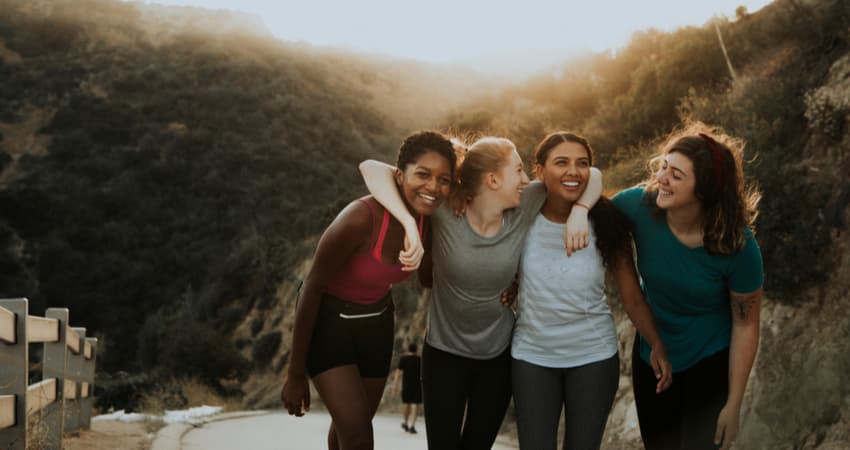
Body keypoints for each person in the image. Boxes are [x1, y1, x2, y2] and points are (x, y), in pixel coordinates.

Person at [359, 136, 600, 450]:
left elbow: (591, 176)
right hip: (444, 354)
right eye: (519, 170)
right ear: (493, 179)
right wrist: (408, 223)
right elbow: (372, 168)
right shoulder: (445, 208)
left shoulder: (525, 204)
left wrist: (580, 210)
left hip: (497, 358)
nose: (527, 179)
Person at [281, 130, 458, 450]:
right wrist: (296, 373)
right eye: (423, 174)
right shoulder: (360, 218)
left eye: (444, 180)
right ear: (400, 175)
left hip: (377, 325)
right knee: (360, 436)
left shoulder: (428, 222)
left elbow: (428, 279)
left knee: (350, 428)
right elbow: (311, 287)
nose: (433, 186)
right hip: (329, 325)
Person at [511, 131, 672, 450]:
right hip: (531, 356)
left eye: (581, 164)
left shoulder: (607, 220)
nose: (573, 171)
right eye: (561, 163)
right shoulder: (521, 213)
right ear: (540, 171)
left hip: (593, 357)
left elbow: (631, 295)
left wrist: (656, 343)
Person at [611, 123, 763, 450]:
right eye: (663, 166)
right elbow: (587, 193)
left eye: (677, 175)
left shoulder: (738, 245)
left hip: (709, 359)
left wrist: (733, 404)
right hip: (652, 355)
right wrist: (582, 213)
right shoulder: (639, 204)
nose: (662, 178)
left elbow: (746, 324)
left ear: (704, 190)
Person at [391, 342, 423, 434]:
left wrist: (395, 386)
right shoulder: (420, 360)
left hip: (407, 385)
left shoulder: (404, 359)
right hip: (417, 386)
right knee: (415, 405)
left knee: (406, 403)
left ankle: (405, 422)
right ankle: (412, 425)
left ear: (408, 349)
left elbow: (398, 374)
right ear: (416, 350)